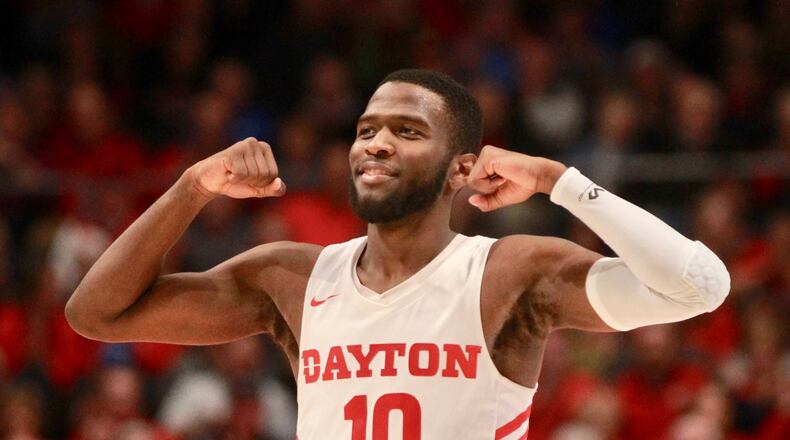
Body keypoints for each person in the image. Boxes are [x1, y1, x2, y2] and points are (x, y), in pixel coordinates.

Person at [65, 69, 730, 439]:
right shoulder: (291, 277)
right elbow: (95, 313)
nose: (374, 145)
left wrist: (560, 180)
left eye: (407, 132)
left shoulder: (506, 273)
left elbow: (699, 285)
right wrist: (192, 187)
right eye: (366, 130)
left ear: (459, 168)